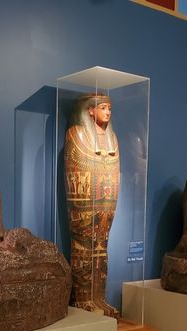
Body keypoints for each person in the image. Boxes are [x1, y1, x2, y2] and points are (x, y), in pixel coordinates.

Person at [64, 93, 120, 318]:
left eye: (109, 108)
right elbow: (78, 164)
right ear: (90, 110)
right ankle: (82, 298)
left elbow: (114, 169)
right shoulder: (77, 133)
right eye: (103, 108)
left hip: (106, 197)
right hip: (84, 198)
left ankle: (99, 298)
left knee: (102, 247)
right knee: (83, 245)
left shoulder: (112, 138)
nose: (107, 112)